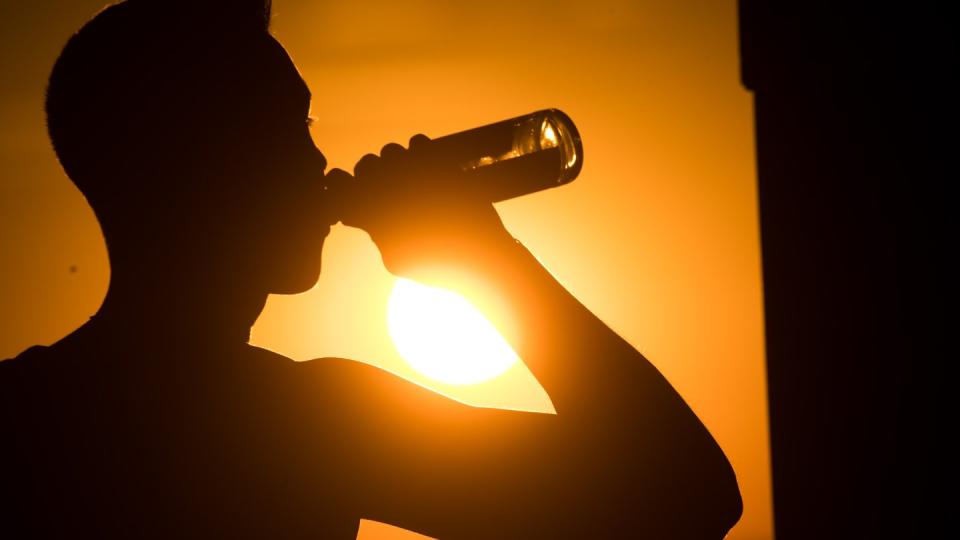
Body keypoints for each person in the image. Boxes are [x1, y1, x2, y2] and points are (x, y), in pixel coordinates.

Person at [0, 1, 742, 537]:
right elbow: (684, 498)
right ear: (192, 169)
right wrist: (485, 261)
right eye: (284, 129)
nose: (316, 160)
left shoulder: (23, 411)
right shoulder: (300, 425)